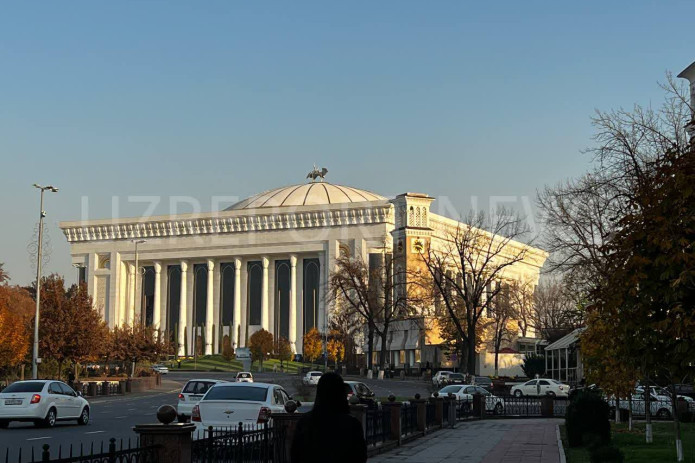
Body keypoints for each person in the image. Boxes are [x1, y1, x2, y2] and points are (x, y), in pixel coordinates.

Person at [291, 372, 367, 463]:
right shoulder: (352, 425)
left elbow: (295, 455)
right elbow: (360, 456)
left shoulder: (304, 422)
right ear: (341, 393)